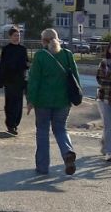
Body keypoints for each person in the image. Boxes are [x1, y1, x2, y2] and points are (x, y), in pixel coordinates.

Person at [26, 27, 78, 176]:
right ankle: (67, 152)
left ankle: (42, 167)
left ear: (43, 41)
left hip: (43, 101)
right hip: (63, 100)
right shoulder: (67, 54)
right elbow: (75, 77)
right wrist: (75, 96)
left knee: (42, 131)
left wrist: (30, 100)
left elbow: (34, 80)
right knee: (61, 129)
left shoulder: (40, 56)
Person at [0, 26, 29, 135]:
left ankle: (15, 123)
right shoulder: (6, 49)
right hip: (9, 80)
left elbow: (26, 64)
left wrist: (27, 70)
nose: (17, 37)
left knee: (18, 104)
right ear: (10, 37)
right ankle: (10, 125)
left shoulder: (23, 49)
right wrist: (0, 81)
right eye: (15, 35)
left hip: (20, 80)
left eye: (18, 35)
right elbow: (2, 66)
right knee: (10, 103)